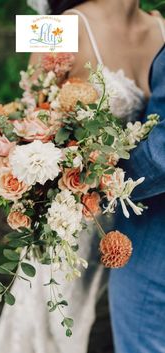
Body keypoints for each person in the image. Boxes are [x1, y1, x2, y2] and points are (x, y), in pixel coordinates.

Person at [0, 1, 164, 352]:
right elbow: (25, 121)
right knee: (51, 321)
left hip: (127, 218)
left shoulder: (160, 24)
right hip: (65, 221)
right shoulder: (54, 25)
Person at [109, 44, 165, 353]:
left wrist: (95, 179)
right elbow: (30, 91)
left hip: (136, 221)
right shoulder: (57, 25)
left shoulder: (156, 22)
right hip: (71, 217)